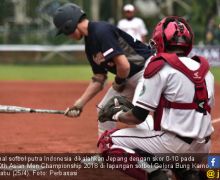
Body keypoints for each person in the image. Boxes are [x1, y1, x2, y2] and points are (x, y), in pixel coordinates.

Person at [98, 16, 215, 179]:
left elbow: (138, 117)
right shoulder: (206, 71)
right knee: (159, 132)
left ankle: (156, 174)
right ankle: (189, 171)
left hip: (173, 146)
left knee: (107, 142)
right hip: (203, 147)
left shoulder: (160, 66)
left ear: (160, 40)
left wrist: (114, 114)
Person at [52, 3, 154, 136]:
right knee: (104, 110)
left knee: (137, 115)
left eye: (64, 31)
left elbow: (124, 65)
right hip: (129, 76)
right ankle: (106, 152)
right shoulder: (90, 46)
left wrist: (119, 82)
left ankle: (155, 150)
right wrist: (79, 104)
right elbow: (99, 78)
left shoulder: (101, 30)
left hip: (147, 71)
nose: (67, 35)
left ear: (69, 25)